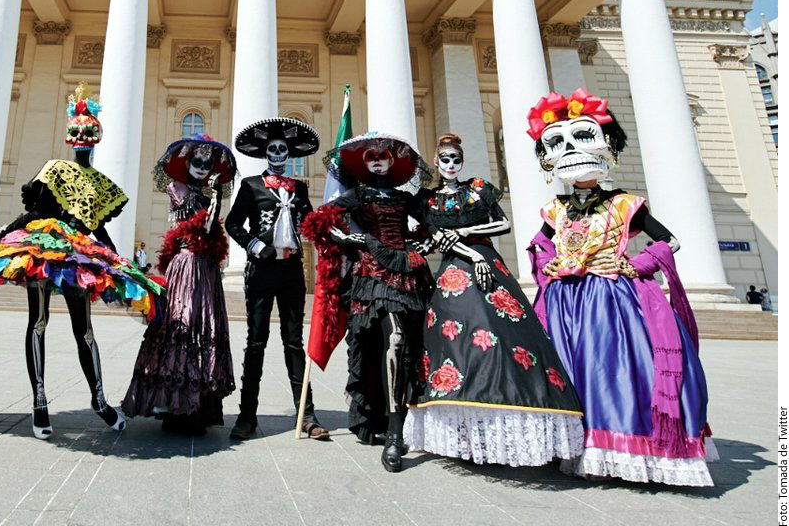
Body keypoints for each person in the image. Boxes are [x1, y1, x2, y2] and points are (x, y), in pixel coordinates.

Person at [0, 82, 161, 440]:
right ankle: (39, 400)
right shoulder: (53, 169)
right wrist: (0, 233)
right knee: (38, 321)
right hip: (44, 248)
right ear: (69, 134)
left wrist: (119, 259)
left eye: (88, 131)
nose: (81, 136)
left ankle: (99, 401)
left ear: (96, 136)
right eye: (76, 131)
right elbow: (32, 212)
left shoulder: (101, 183)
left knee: (84, 330)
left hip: (79, 254)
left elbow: (99, 228)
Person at [525, 88, 714, 486]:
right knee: (571, 370)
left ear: (607, 147)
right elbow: (539, 244)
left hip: (612, 300)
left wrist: (634, 263)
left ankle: (626, 446)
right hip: (565, 303)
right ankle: (577, 444)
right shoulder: (555, 210)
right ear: (547, 158)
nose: (572, 151)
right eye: (558, 142)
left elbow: (669, 241)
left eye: (583, 137)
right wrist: (550, 264)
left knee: (612, 369)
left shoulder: (627, 204)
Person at [404, 133, 583, 466]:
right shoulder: (428, 201)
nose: (451, 165)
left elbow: (503, 223)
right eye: (445, 160)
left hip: (489, 264)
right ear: (436, 161)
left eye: (456, 159)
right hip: (456, 270)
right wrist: (463, 253)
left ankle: (511, 418)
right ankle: (463, 430)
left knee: (506, 335)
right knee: (456, 344)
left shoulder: (477, 190)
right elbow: (434, 239)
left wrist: (467, 234)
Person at [302, 131, 433, 472]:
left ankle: (397, 429)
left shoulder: (406, 198)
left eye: (383, 156)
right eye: (371, 157)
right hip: (370, 275)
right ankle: (380, 423)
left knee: (403, 343)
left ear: (392, 161)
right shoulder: (356, 195)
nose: (377, 161)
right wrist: (348, 239)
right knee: (377, 342)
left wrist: (425, 244)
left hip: (404, 272)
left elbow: (432, 226)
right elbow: (319, 222)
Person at [123, 135, 238, 435]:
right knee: (182, 324)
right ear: (187, 163)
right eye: (197, 162)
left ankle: (197, 408)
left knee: (205, 327)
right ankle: (172, 405)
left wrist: (214, 196)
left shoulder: (207, 194)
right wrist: (213, 198)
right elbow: (202, 223)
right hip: (186, 266)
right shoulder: (177, 189)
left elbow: (213, 229)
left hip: (206, 271)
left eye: (207, 164)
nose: (202, 168)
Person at [225, 117, 328, 441]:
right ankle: (246, 416)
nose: (279, 154)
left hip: (291, 271)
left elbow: (311, 222)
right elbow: (233, 224)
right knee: (256, 343)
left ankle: (307, 415)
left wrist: (328, 221)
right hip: (262, 271)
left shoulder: (299, 188)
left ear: (289, 153)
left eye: (283, 149)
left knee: (293, 342)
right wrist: (255, 246)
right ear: (266, 153)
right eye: (273, 149)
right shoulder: (252, 186)